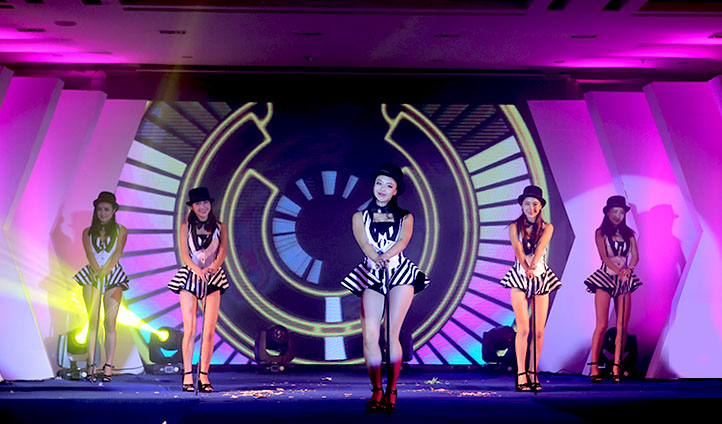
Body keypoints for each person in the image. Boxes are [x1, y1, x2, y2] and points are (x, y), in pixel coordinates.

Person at [341, 164, 429, 413]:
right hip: (372, 273)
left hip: (399, 273)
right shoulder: (359, 217)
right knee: (370, 335)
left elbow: (402, 241)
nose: (382, 188)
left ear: (395, 191)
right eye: (379, 183)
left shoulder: (406, 217)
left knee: (391, 334)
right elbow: (364, 243)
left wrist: (386, 256)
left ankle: (392, 389)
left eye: (389, 185)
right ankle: (376, 390)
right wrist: (375, 258)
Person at [499, 185, 561, 392]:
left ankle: (533, 373)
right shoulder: (514, 227)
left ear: (540, 206)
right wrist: (526, 268)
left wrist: (533, 267)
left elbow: (541, 246)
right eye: (527, 204)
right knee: (523, 329)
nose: (531, 208)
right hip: (519, 276)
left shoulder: (547, 227)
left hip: (540, 276)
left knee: (539, 331)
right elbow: (518, 249)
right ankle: (521, 374)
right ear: (522, 206)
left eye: (535, 204)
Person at [168, 187, 229, 392]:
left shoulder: (220, 227)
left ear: (210, 204)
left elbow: (222, 251)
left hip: (213, 277)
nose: (202, 207)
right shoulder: (185, 227)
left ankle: (204, 375)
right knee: (191, 328)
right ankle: (187, 375)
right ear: (192, 207)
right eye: (198, 204)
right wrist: (197, 270)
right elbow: (185, 255)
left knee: (209, 329)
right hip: (190, 277)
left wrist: (213, 268)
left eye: (205, 203)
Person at [584, 195, 641, 383]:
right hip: (606, 278)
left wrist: (629, 270)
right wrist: (619, 271)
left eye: (621, 212)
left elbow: (635, 256)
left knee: (622, 325)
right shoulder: (600, 232)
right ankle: (594, 366)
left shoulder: (629, 234)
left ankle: (617, 365)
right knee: (601, 325)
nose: (618, 215)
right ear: (607, 212)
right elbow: (604, 257)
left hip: (624, 280)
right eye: (615, 211)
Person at [73, 191, 129, 382]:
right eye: (99, 209)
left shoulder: (121, 230)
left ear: (113, 211)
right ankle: (91, 365)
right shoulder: (87, 232)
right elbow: (89, 253)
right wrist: (97, 270)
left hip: (113, 276)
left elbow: (117, 253)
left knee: (110, 323)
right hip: (92, 276)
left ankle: (108, 365)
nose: (103, 213)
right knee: (93, 321)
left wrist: (106, 270)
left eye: (106, 209)